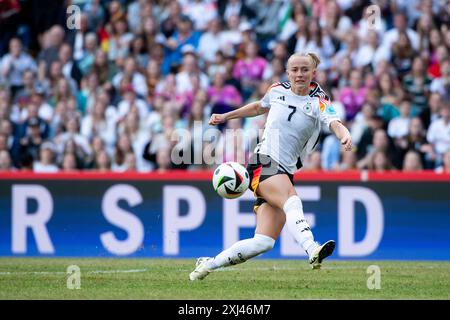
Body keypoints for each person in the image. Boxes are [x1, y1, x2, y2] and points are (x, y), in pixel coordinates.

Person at [189, 52, 353, 281]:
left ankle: (208, 264)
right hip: (263, 162)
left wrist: (344, 135)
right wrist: (225, 116)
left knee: (263, 242)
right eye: (294, 70)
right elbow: (259, 107)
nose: (299, 74)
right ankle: (311, 248)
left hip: (285, 170)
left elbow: (335, 123)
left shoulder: (319, 101)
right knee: (292, 200)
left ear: (313, 73)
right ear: (287, 72)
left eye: (304, 70)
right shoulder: (277, 90)